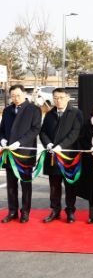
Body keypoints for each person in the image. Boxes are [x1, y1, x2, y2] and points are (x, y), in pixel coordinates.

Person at [40, 88, 83, 224]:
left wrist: (61, 146)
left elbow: (75, 133)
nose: (58, 100)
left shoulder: (76, 113)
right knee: (54, 185)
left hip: (68, 156)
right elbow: (43, 132)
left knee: (70, 185)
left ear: (68, 98)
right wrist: (48, 144)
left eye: (61, 97)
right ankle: (55, 210)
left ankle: (70, 211)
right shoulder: (50, 114)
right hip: (52, 156)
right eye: (56, 98)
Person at [0, 84, 41, 223]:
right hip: (9, 153)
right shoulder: (7, 110)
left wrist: (20, 142)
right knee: (11, 185)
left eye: (18, 95)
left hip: (25, 153)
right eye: (13, 96)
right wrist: (2, 139)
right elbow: (1, 129)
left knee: (25, 184)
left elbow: (35, 129)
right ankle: (12, 211)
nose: (15, 98)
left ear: (24, 94)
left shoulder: (33, 109)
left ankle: (25, 212)